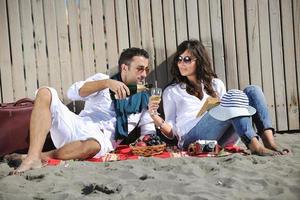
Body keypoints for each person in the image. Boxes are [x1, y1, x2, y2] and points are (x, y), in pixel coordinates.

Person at [8, 47, 156, 174]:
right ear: (125, 67)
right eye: (140, 68)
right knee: (45, 92)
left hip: (100, 139)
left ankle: (40, 156)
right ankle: (32, 157)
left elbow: (148, 130)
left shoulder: (143, 98)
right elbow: (72, 93)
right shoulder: (103, 80)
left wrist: (152, 126)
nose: (144, 74)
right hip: (77, 125)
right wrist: (105, 83)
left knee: (93, 145)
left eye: (146, 69)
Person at [148, 39, 288, 156]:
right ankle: (255, 146)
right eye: (179, 59)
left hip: (222, 138)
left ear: (199, 61)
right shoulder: (172, 91)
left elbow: (232, 112)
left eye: (187, 59)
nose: (181, 63)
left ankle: (269, 142)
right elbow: (172, 133)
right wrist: (155, 116)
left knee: (253, 90)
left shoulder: (216, 84)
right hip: (190, 138)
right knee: (231, 99)